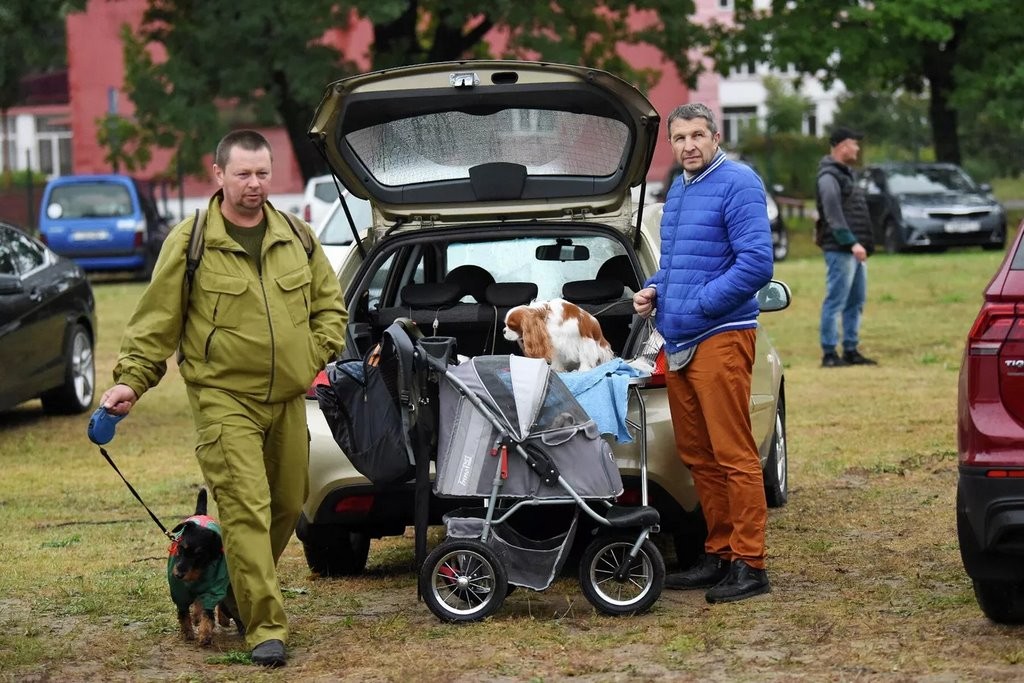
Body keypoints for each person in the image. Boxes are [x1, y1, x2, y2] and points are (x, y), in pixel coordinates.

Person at [99, 130, 347, 667]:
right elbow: (155, 323)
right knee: (246, 510)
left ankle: (233, 587)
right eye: (242, 174)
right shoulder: (191, 242)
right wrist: (131, 381)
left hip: (285, 398)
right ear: (218, 175)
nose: (254, 184)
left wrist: (315, 352)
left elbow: (330, 306)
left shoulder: (297, 236)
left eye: (262, 173)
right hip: (222, 397)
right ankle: (265, 628)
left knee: (287, 502)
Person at [633, 103, 774, 603]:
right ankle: (719, 555)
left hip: (722, 335)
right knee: (698, 454)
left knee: (734, 453)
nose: (689, 145)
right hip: (681, 338)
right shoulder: (681, 187)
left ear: (715, 136)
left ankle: (751, 565)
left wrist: (697, 303)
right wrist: (654, 288)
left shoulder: (738, 182)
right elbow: (678, 263)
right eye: (680, 138)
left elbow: (756, 263)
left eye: (697, 135)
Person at [816, 126, 876, 367]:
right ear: (842, 146)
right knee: (836, 300)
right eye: (854, 143)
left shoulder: (846, 173)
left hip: (854, 249)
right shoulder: (829, 177)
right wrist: (851, 243)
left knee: (856, 300)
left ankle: (851, 348)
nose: (857, 148)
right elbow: (833, 214)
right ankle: (830, 353)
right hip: (841, 249)